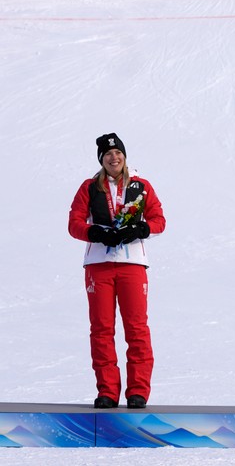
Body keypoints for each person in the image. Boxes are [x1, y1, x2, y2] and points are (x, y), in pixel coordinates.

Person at [67, 133, 166, 409]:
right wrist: (94, 232)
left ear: (124, 155)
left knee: (136, 328)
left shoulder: (141, 186)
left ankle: (137, 391)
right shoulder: (89, 187)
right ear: (102, 159)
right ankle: (107, 391)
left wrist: (142, 228)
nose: (114, 157)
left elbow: (159, 219)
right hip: (98, 267)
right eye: (108, 154)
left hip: (132, 265)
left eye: (118, 153)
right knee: (101, 329)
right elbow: (74, 223)